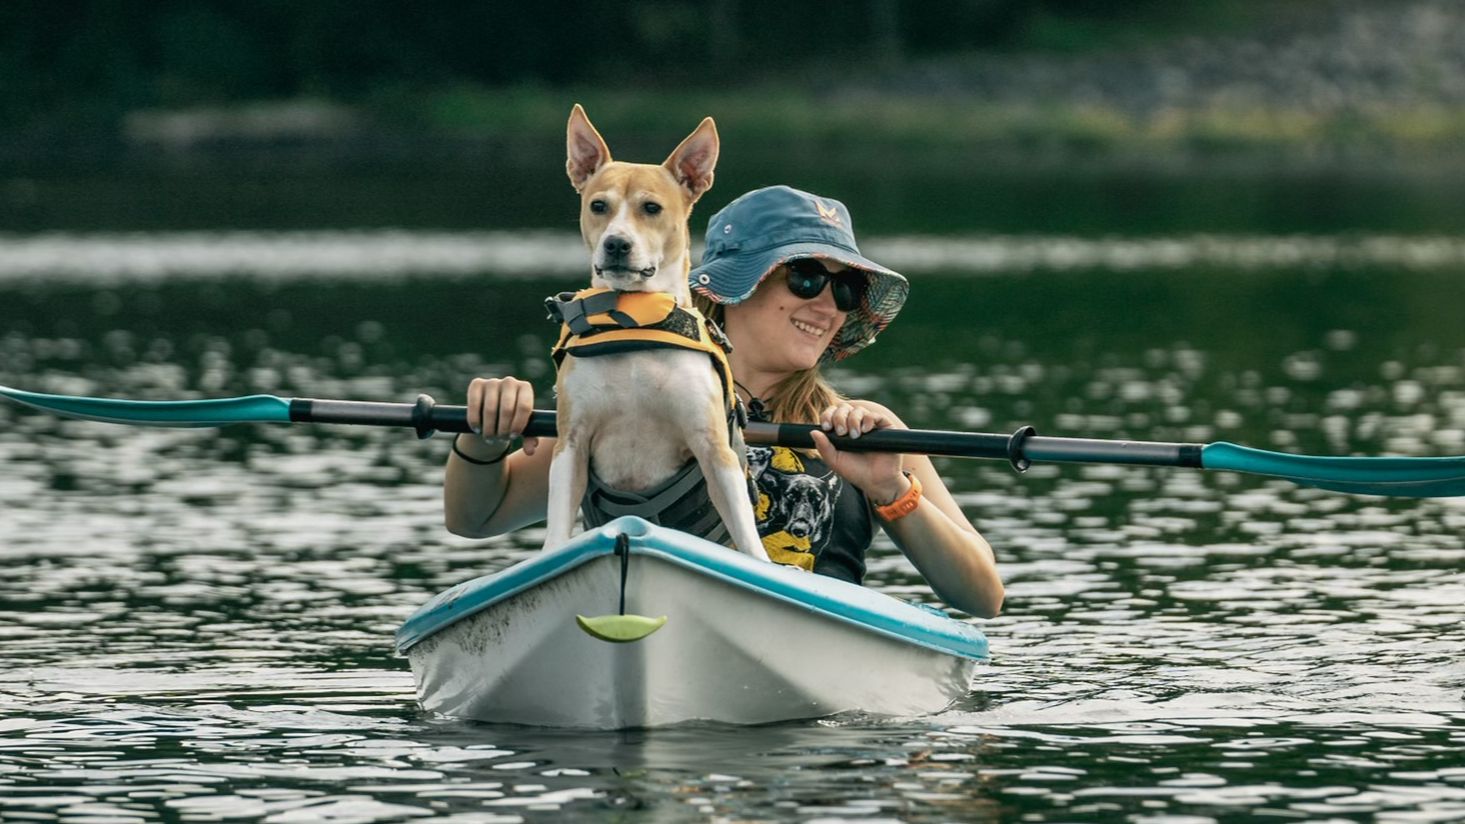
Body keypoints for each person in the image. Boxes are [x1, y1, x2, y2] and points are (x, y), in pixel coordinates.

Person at [443, 185, 1003, 618]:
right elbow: (477, 518)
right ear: (738, 286)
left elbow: (983, 595)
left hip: (818, 643)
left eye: (846, 289)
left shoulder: (874, 430)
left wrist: (891, 490)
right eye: (806, 278)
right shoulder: (626, 399)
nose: (829, 305)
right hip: (651, 622)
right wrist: (482, 438)